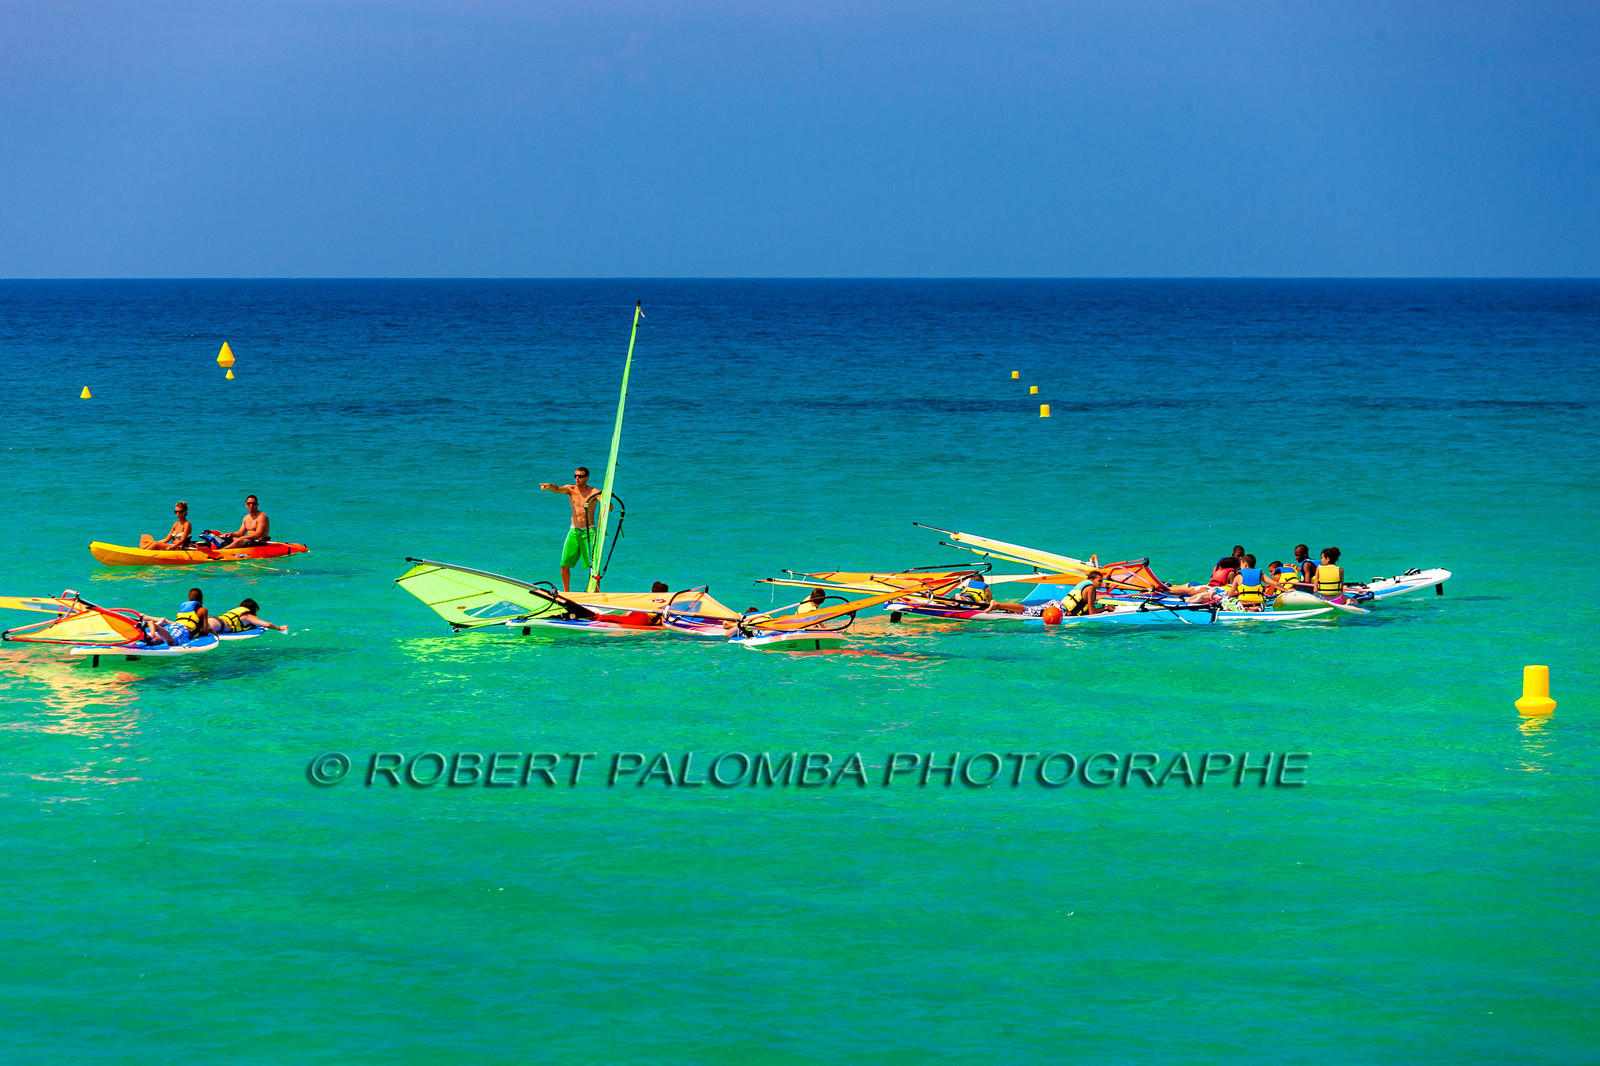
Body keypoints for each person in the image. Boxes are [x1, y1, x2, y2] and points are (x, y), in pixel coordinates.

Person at [539, 467, 603, 591]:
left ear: (586, 477)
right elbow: (558, 489)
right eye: (575, 476)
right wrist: (549, 485)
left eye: (580, 476)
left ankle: (596, 592)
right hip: (574, 531)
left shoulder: (594, 492)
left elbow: (607, 506)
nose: (577, 478)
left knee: (594, 565)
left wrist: (606, 500)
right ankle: (567, 592)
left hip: (589, 532)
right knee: (564, 563)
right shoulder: (571, 489)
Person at [140, 588, 211, 646]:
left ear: (189, 599)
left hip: (173, 626)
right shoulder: (203, 610)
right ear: (202, 600)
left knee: (161, 639)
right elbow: (205, 632)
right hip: (182, 629)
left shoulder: (184, 607)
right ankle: (156, 627)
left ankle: (144, 637)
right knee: (173, 641)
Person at [949, 575, 1025, 613]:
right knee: (978, 603)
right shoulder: (985, 588)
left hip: (964, 597)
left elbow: (963, 592)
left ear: (970, 580)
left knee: (955, 597)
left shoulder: (968, 585)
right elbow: (990, 600)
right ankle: (961, 601)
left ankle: (951, 600)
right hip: (971, 600)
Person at [208, 598, 287, 634]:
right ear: (253, 609)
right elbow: (268, 625)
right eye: (256, 611)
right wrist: (279, 628)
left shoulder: (237, 611)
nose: (256, 614)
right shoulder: (247, 615)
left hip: (213, 619)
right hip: (219, 624)